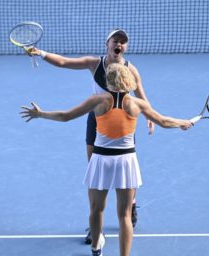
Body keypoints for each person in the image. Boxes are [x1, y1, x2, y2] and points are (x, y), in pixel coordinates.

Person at [20, 63, 193, 256]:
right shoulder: (138, 104)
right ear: (129, 81)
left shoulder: (97, 100)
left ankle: (96, 248)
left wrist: (40, 114)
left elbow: (66, 116)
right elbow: (164, 121)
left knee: (96, 209)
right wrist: (183, 123)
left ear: (108, 81)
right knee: (125, 215)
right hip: (126, 162)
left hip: (101, 160)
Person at [27, 29, 153, 241]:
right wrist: (41, 53)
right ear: (108, 43)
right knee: (95, 174)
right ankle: (96, 227)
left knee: (127, 169)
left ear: (126, 47)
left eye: (123, 42)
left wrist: (149, 115)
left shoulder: (131, 70)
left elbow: (141, 94)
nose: (119, 45)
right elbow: (64, 63)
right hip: (97, 119)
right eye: (116, 41)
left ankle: (130, 204)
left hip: (123, 121)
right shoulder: (94, 64)